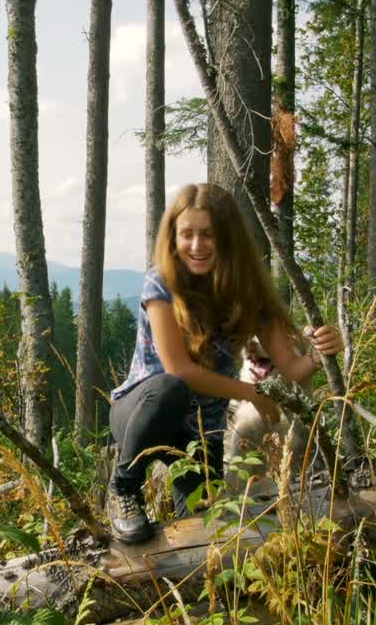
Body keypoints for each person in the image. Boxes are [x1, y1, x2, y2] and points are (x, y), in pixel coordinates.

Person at [107, 183, 343, 544]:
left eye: (208, 235)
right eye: (187, 235)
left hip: (202, 430)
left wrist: (321, 350)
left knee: (202, 535)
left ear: (228, 239)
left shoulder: (249, 292)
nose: (197, 246)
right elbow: (179, 371)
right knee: (172, 389)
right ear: (173, 237)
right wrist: (252, 393)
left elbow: (293, 369)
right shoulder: (161, 282)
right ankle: (123, 490)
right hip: (143, 411)